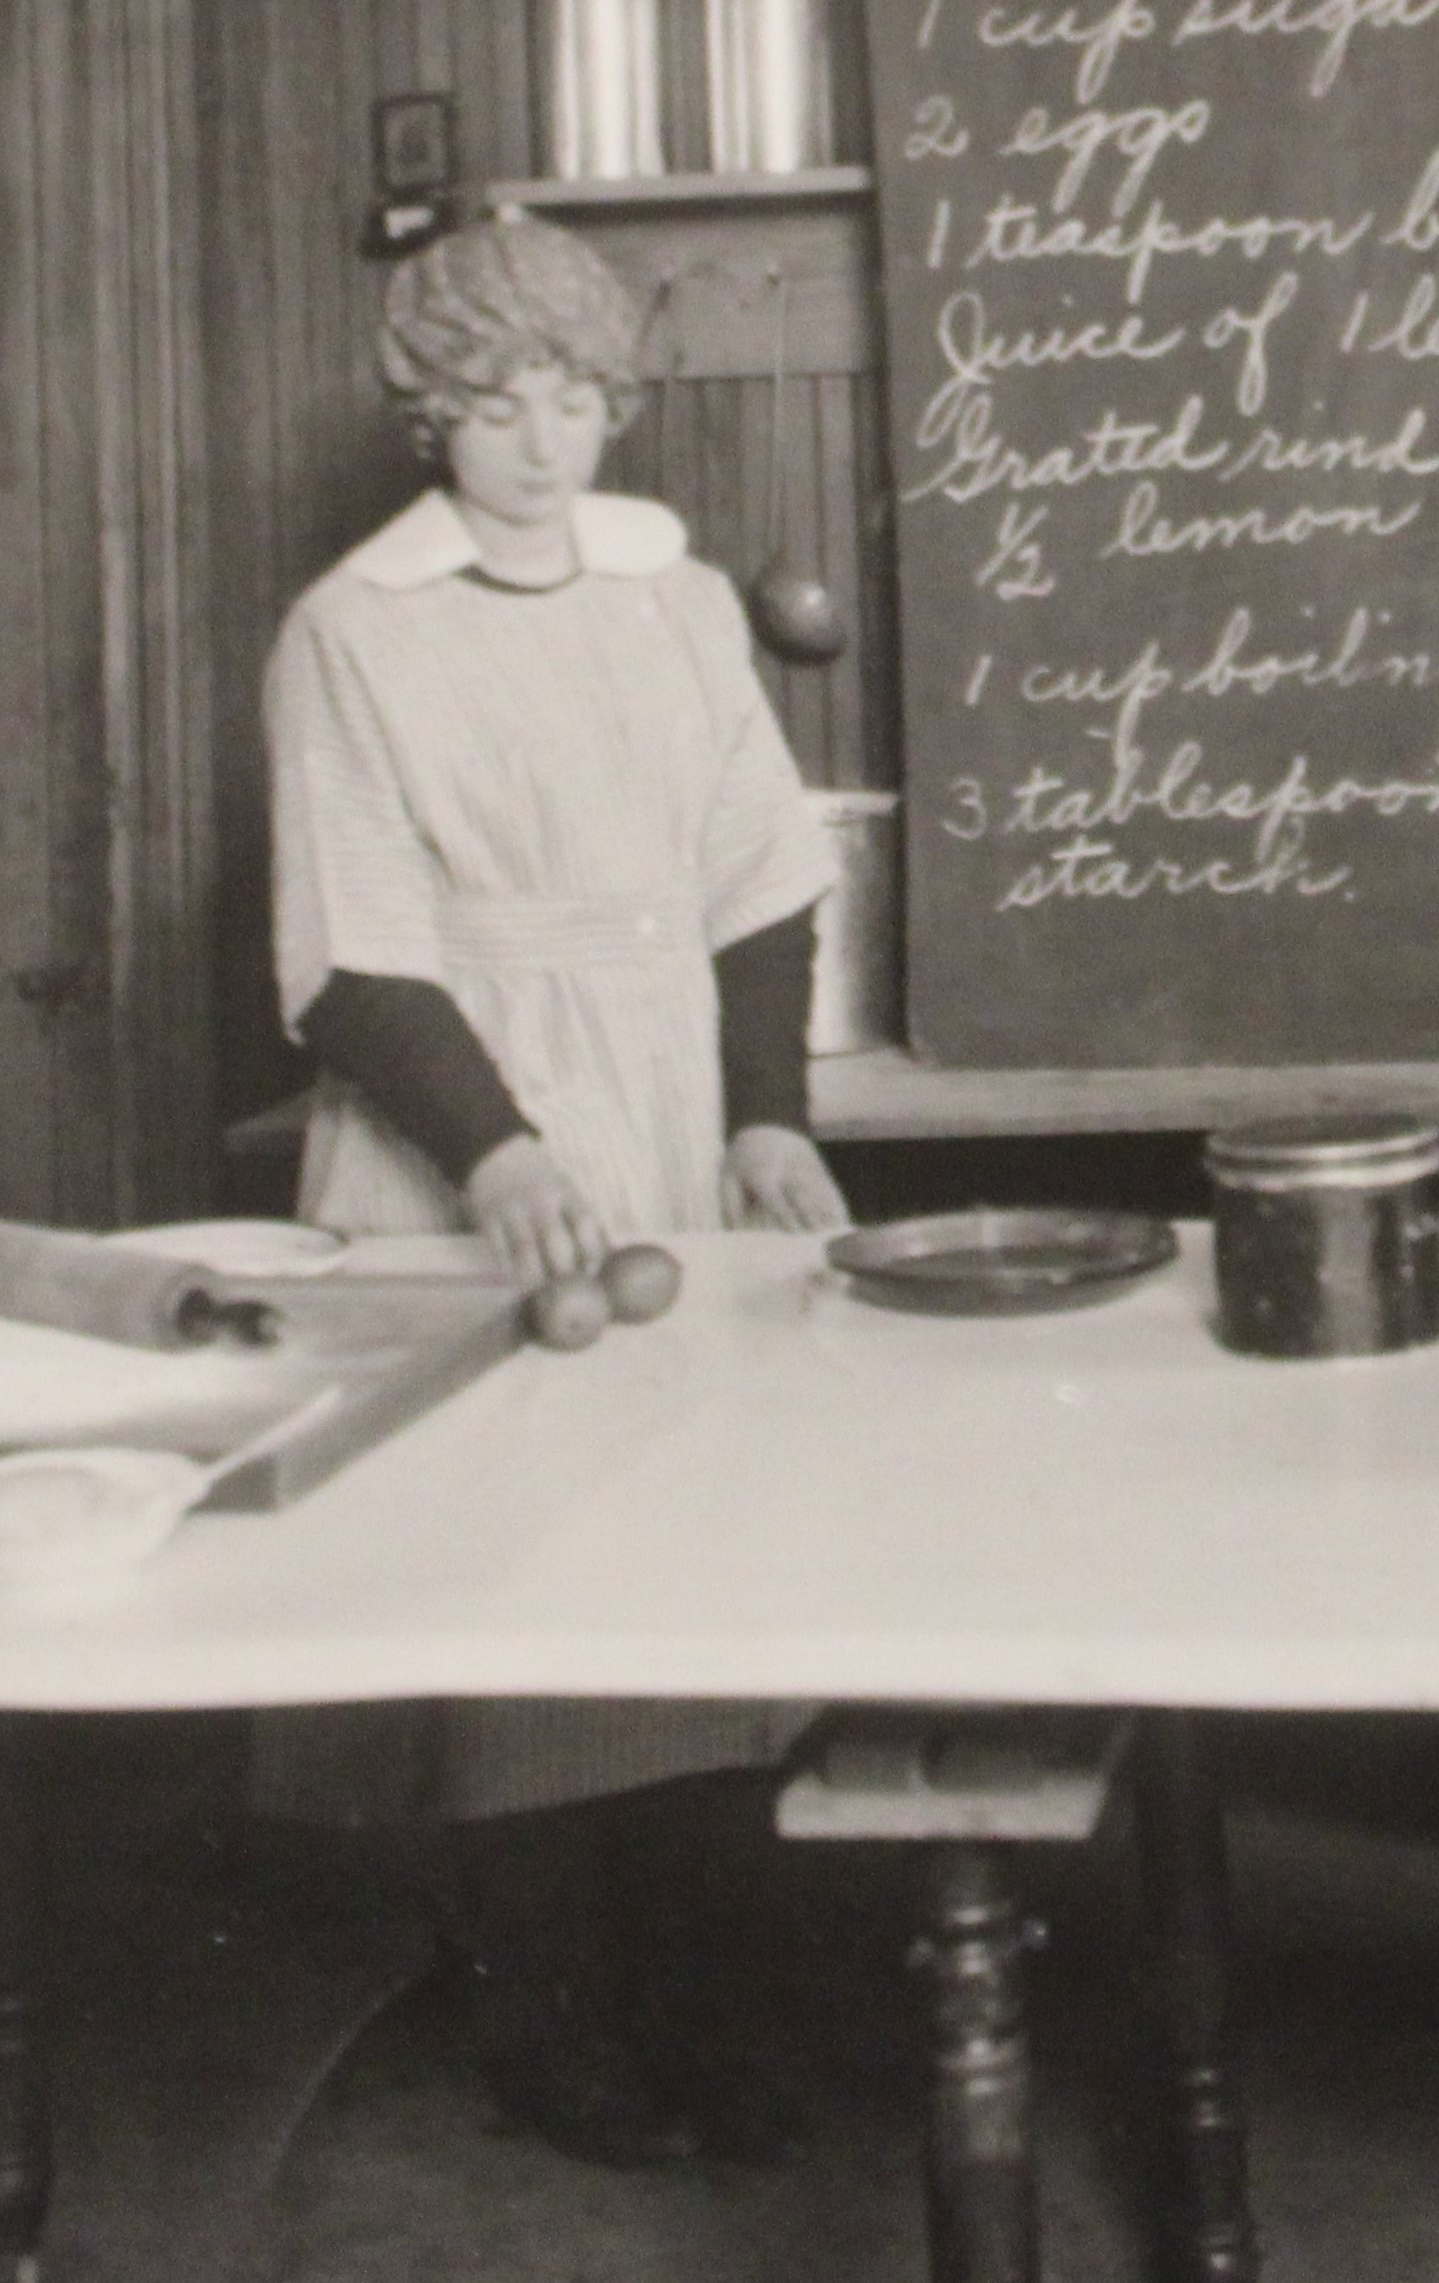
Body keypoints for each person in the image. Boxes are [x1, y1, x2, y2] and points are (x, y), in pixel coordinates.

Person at [257, 212, 850, 2167]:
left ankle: (714, 1999)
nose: (541, 435)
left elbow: (759, 873)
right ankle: (554, 2027)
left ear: (616, 399)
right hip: (463, 1124)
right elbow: (349, 946)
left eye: (576, 394)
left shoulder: (671, 599)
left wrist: (762, 1111)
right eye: (496, 399)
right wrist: (496, 1140)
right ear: (429, 413)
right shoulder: (356, 625)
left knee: (690, 1573)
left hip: (667, 1098)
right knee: (510, 1589)